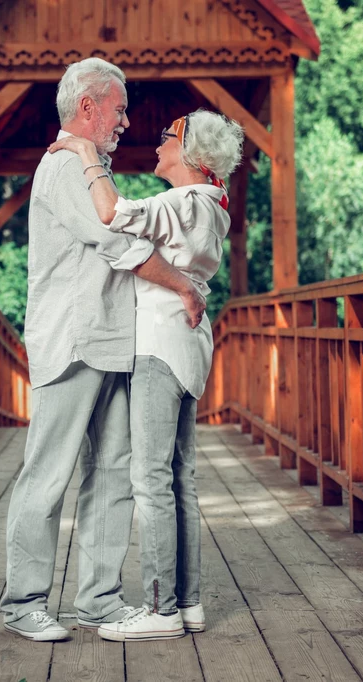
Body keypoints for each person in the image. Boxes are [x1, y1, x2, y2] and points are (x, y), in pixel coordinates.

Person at [0, 58, 207, 642]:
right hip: (72, 339)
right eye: (118, 108)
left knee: (113, 474)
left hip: (115, 342)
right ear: (88, 107)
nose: (125, 119)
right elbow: (117, 242)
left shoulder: (94, 170)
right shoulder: (65, 165)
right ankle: (23, 604)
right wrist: (184, 286)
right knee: (48, 476)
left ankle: (97, 599)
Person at [48, 110, 244, 641]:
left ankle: (161, 609)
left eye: (167, 138)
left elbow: (110, 212)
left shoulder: (180, 202)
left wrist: (84, 153)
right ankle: (189, 602)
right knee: (180, 476)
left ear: (193, 155)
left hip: (158, 345)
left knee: (150, 478)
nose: (157, 143)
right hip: (188, 344)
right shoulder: (210, 207)